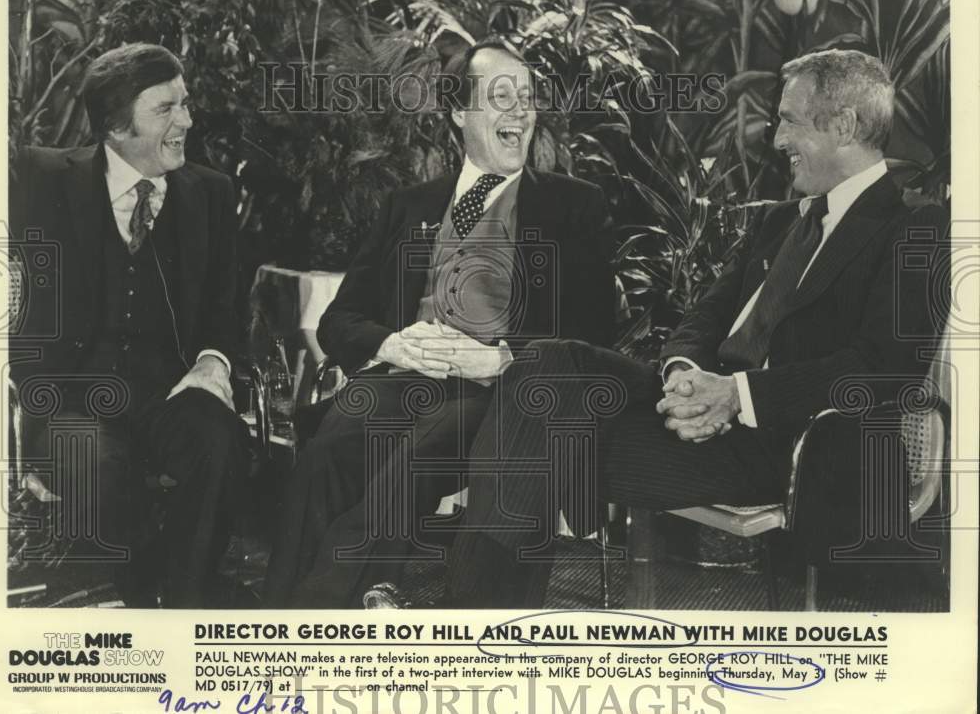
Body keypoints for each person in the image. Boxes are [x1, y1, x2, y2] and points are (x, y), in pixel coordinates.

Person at [438, 48, 950, 607]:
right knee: (544, 364)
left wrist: (734, 396)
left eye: (790, 121)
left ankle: (475, 616)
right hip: (691, 409)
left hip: (784, 441)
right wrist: (685, 373)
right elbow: (704, 316)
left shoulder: (913, 227)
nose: (777, 139)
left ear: (846, 125)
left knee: (530, 440)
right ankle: (484, 615)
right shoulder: (779, 220)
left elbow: (881, 371)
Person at [262, 38, 615, 608]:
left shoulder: (575, 206)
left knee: (421, 450)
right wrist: (395, 343)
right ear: (459, 113)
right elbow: (339, 321)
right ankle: (278, 617)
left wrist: (501, 356)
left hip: (503, 392)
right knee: (331, 445)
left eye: (527, 97)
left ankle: (338, 604)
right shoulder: (410, 205)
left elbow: (594, 328)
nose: (521, 112)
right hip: (405, 375)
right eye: (502, 97)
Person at [10, 43, 248, 608]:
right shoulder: (43, 179)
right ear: (117, 127)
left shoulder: (210, 192)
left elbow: (226, 311)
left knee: (222, 444)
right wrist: (27, 434)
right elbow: (17, 316)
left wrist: (213, 364)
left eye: (185, 104)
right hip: (73, 395)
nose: (186, 121)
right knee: (97, 464)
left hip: (170, 389)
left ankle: (183, 600)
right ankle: (143, 593)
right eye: (166, 109)